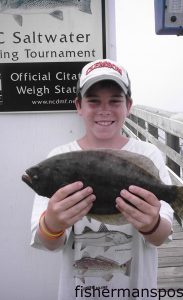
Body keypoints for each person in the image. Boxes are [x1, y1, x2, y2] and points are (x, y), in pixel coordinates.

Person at [31, 59, 174, 300]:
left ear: (128, 105)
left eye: (115, 101)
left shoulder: (148, 155)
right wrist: (53, 222)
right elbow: (49, 243)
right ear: (79, 105)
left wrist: (151, 224)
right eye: (93, 101)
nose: (104, 109)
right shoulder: (58, 158)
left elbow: (161, 236)